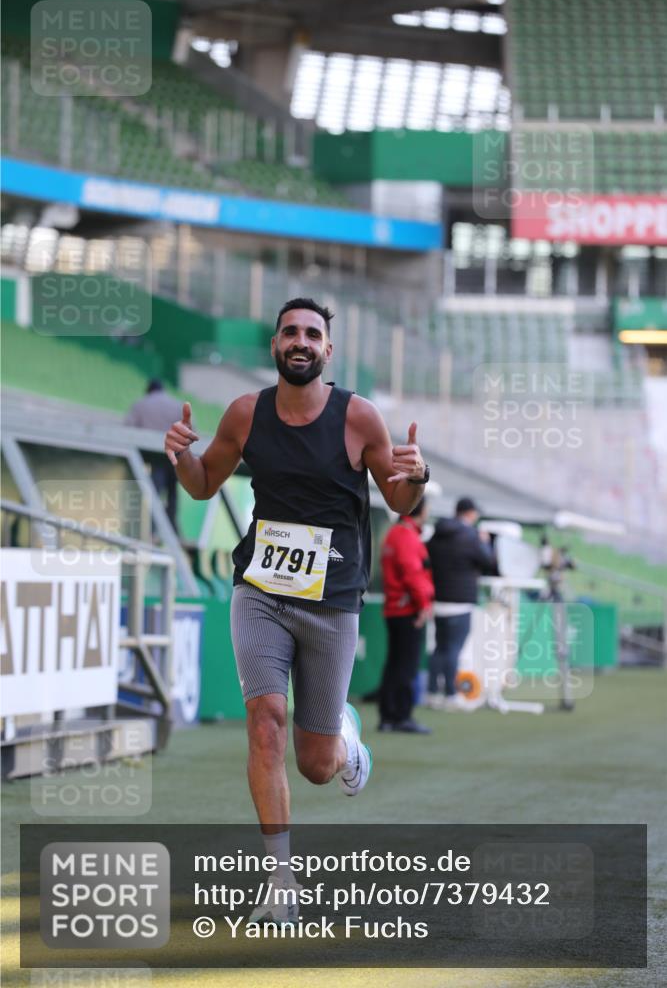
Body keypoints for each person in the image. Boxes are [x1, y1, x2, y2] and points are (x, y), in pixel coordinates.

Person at [164, 297, 430, 922]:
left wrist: (416, 475)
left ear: (327, 351)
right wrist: (179, 453)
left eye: (313, 333)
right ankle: (280, 881)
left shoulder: (358, 417)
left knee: (314, 765)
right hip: (259, 589)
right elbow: (204, 482)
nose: (301, 341)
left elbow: (401, 504)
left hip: (332, 600)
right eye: (290, 332)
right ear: (276, 345)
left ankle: (343, 739)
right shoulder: (245, 414)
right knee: (264, 722)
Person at [425, 497, 498, 711]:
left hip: (439, 599)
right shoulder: (470, 535)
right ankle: (450, 694)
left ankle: (431, 693)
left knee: (439, 648)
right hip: (461, 601)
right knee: (453, 649)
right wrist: (484, 542)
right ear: (470, 513)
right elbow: (489, 561)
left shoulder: (437, 534)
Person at [378, 496, 434, 734]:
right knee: (406, 665)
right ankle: (400, 716)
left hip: (396, 607)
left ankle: (389, 716)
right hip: (407, 609)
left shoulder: (395, 533)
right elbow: (413, 574)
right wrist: (423, 605)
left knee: (396, 663)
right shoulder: (406, 536)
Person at [126, 379, 183, 530]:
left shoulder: (141, 404)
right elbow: (190, 429)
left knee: (154, 491)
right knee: (172, 492)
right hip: (174, 455)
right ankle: (171, 527)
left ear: (149, 390)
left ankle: (150, 528)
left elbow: (128, 429)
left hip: (153, 455)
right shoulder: (177, 405)